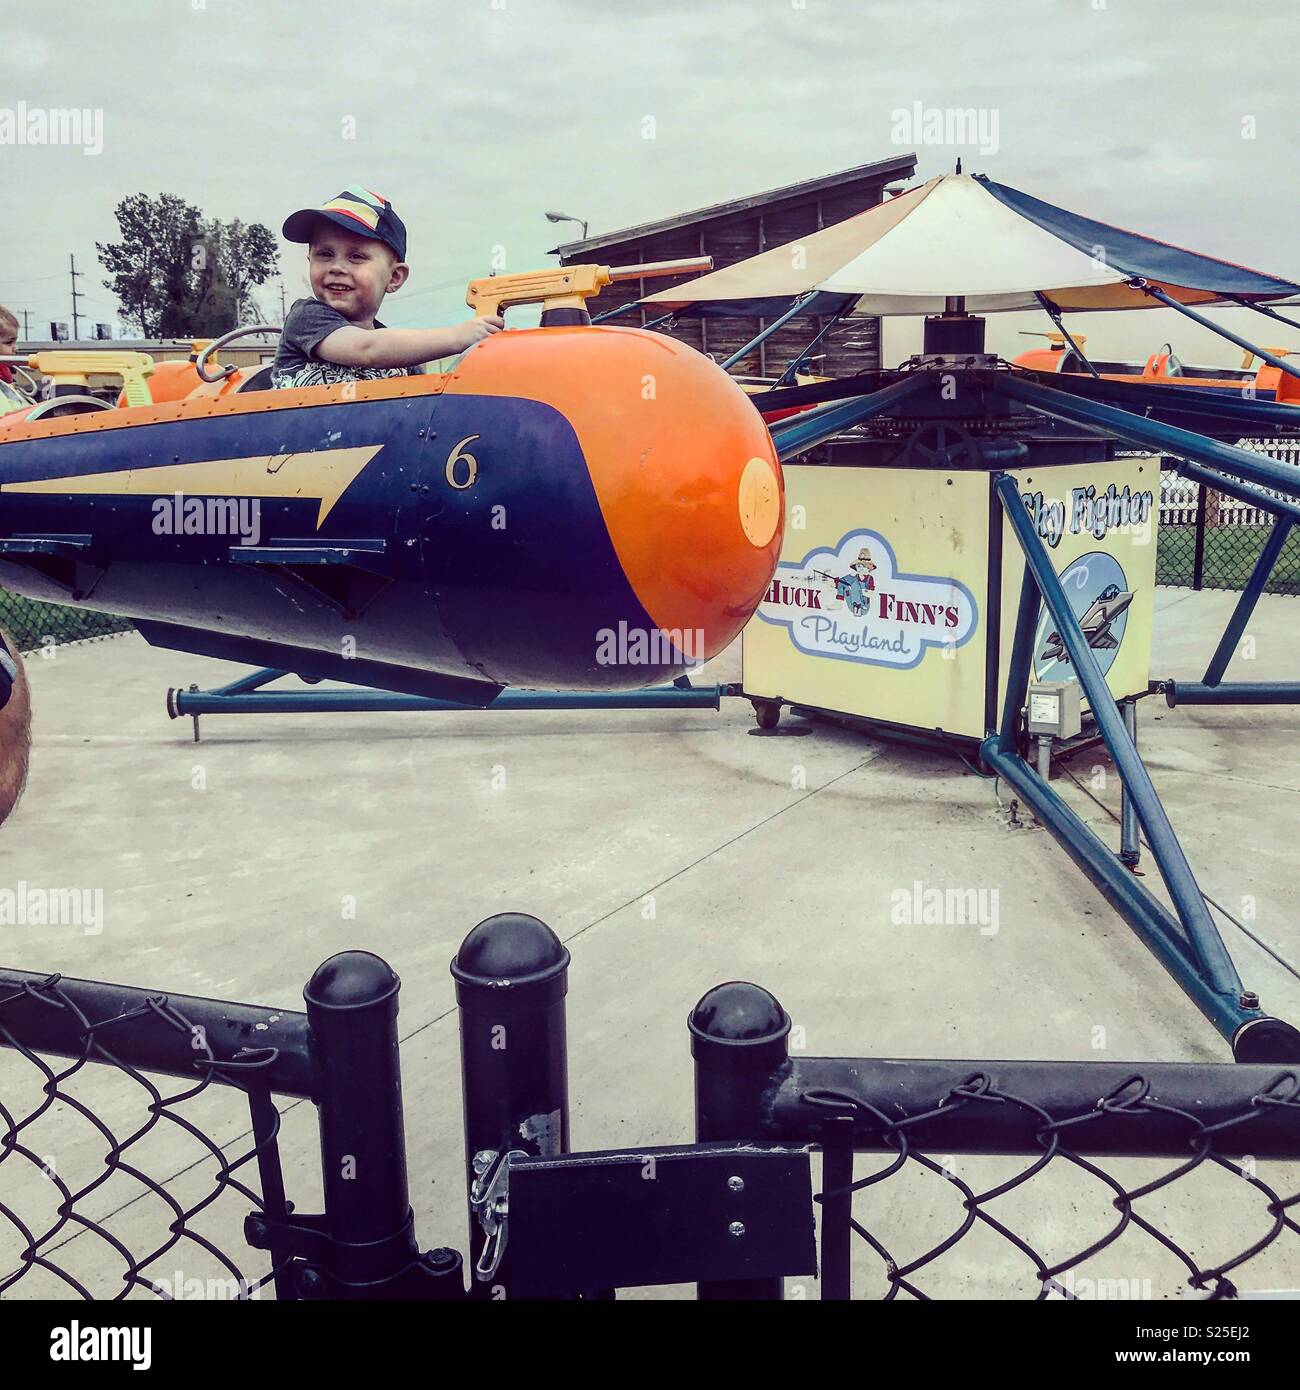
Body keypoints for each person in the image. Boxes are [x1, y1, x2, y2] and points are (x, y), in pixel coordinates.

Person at [271, 186, 503, 389]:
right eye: (324, 254)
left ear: (394, 277)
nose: (337, 267)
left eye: (356, 256)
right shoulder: (307, 319)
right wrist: (455, 337)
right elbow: (368, 349)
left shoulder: (404, 358)